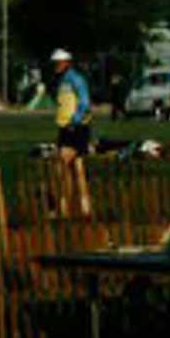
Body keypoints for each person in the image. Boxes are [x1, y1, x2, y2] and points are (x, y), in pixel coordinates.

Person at [51, 49, 93, 217]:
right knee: (75, 167)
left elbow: (84, 102)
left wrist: (74, 121)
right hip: (66, 127)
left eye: (58, 62)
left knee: (64, 166)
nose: (55, 65)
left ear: (66, 62)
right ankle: (83, 207)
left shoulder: (76, 79)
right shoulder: (63, 81)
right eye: (54, 63)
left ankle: (63, 206)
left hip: (76, 128)